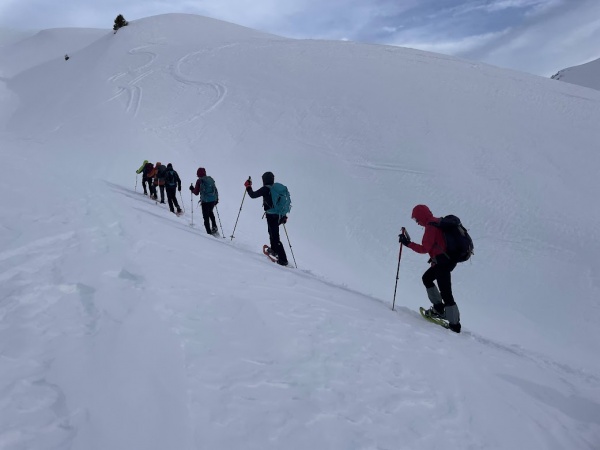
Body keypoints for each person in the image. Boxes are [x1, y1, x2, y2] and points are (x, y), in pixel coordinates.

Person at [399, 204, 461, 333]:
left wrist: (408, 243)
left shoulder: (431, 226)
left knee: (446, 292)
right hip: (445, 261)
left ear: (421, 216)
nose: (417, 222)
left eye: (416, 219)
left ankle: (455, 325)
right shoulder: (436, 221)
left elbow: (424, 248)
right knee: (427, 278)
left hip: (443, 263)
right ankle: (439, 309)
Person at [244, 172, 288, 266]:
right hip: (279, 215)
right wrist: (284, 215)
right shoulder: (276, 189)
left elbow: (253, 195)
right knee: (272, 233)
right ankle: (274, 251)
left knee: (274, 236)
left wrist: (248, 187)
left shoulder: (266, 189)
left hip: (271, 215)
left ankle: (283, 259)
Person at [190, 167, 219, 235]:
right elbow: (215, 189)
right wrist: (216, 199)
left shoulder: (199, 181)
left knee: (206, 217)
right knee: (210, 212)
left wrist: (192, 189)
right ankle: (214, 226)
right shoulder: (210, 179)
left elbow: (196, 192)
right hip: (212, 200)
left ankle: (209, 233)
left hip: (205, 201)